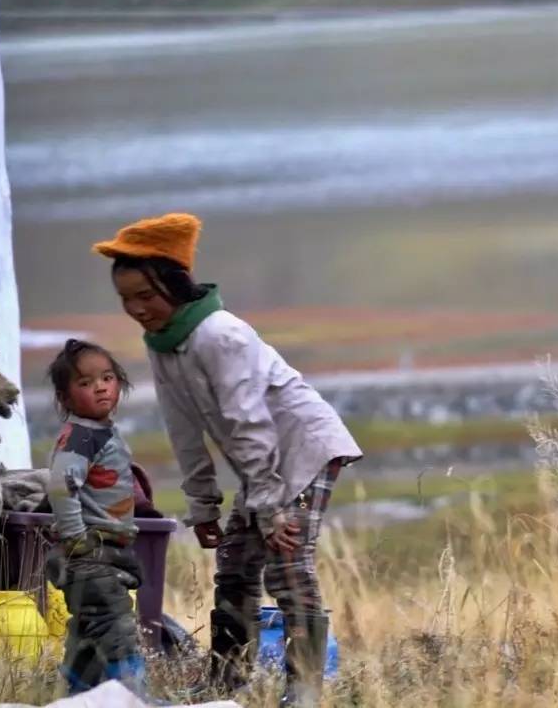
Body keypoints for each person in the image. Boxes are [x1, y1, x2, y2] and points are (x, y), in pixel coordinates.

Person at [92, 213, 362, 707]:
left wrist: (270, 503)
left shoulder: (221, 334)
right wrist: (202, 504)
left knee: (286, 563)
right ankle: (227, 682)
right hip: (264, 464)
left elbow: (248, 419)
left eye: (146, 297)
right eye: (126, 299)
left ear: (176, 285)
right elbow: (182, 427)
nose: (136, 309)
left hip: (302, 448)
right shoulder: (164, 343)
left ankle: (303, 691)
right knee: (236, 565)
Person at [44, 339, 145, 695]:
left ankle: (78, 694)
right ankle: (134, 694)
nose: (100, 387)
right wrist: (76, 538)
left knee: (90, 629)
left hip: (103, 550)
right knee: (116, 624)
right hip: (89, 553)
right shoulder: (83, 435)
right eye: (85, 383)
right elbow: (60, 484)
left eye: (107, 377)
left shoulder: (101, 431)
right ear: (66, 398)